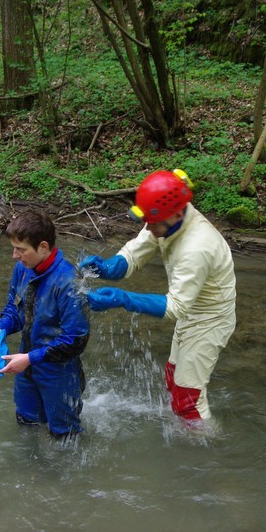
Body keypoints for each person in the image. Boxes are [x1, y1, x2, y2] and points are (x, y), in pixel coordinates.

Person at [81, 169, 236, 424]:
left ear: (175, 214)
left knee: (188, 401)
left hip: (210, 320)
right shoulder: (166, 217)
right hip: (192, 310)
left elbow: (175, 306)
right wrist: (108, 268)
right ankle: (183, 435)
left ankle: (209, 454)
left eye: (152, 223)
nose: (148, 228)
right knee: (173, 377)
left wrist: (122, 298)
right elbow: (136, 251)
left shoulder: (196, 247)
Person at [0, 209, 90, 439]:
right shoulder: (23, 269)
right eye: (14, 248)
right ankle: (28, 472)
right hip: (27, 363)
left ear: (43, 246)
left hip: (59, 370)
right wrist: (1, 328)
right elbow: (14, 308)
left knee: (64, 434)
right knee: (26, 422)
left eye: (21, 250)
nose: (15, 255)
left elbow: (76, 340)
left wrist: (29, 359)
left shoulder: (68, 282)